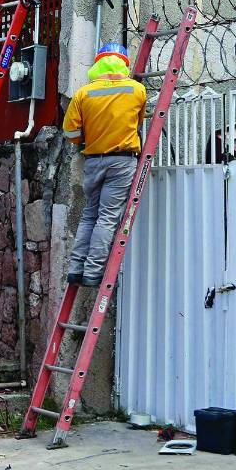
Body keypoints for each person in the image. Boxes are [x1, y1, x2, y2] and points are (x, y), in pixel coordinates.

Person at [62, 43, 148, 287]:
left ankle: (76, 268)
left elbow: (70, 132)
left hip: (93, 161)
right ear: (124, 63)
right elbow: (138, 123)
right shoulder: (137, 90)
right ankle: (92, 273)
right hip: (122, 161)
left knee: (89, 214)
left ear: (98, 64)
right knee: (108, 217)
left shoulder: (83, 94)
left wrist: (86, 138)